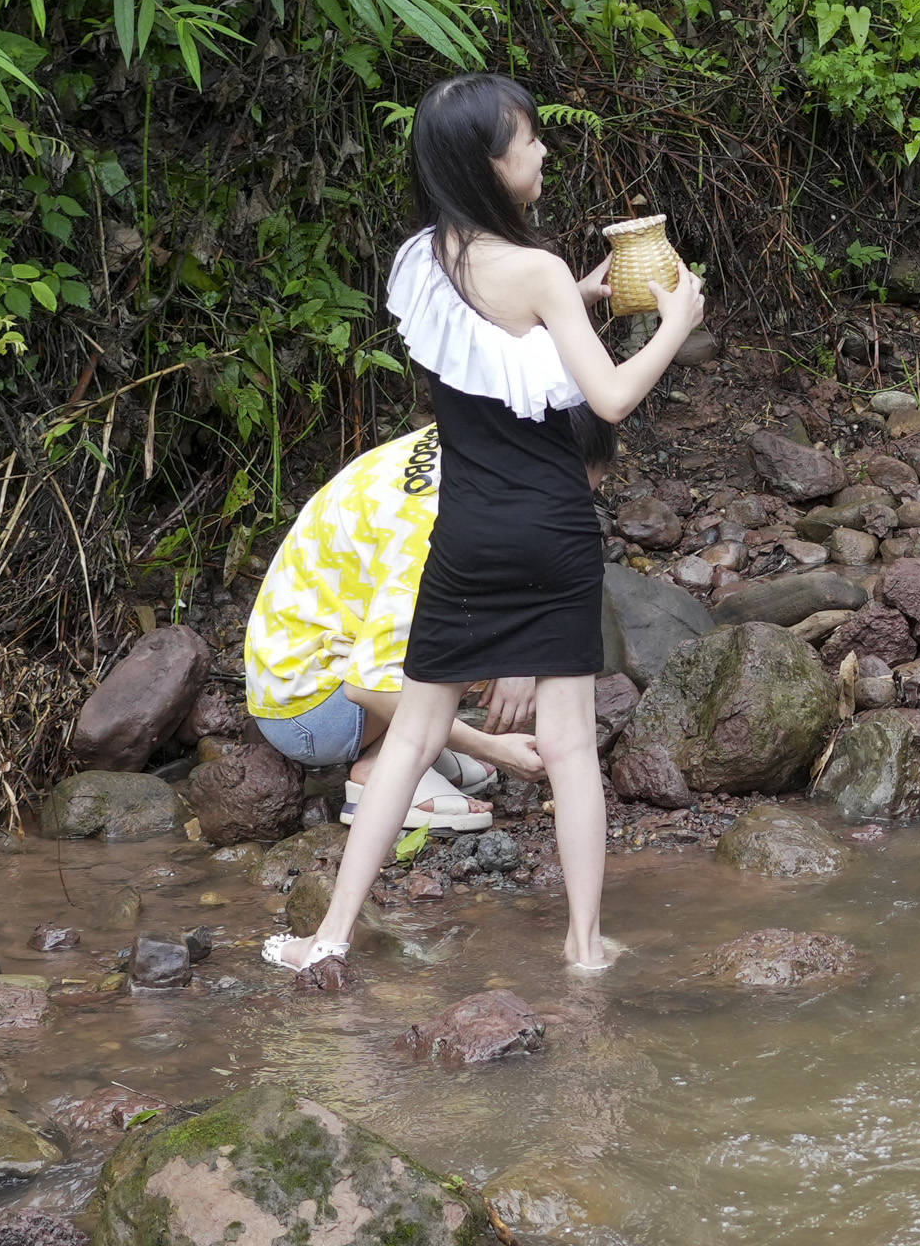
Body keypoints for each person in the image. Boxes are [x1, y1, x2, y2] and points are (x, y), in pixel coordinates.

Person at [265, 73, 703, 983]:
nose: (541, 150)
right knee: (572, 746)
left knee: (416, 736)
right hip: (552, 531)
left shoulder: (426, 259)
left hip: (466, 534)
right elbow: (611, 393)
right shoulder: (533, 270)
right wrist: (676, 321)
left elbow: (496, 346)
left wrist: (577, 296)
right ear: (487, 162)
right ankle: (584, 947)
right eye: (528, 140)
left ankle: (331, 935)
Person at [239, 425, 547, 839]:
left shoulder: (470, 437)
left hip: (300, 663)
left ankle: (421, 746)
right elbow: (368, 688)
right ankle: (381, 767)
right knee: (469, 624)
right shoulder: (432, 535)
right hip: (311, 713)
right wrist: (490, 746)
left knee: (483, 612)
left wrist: (518, 658)